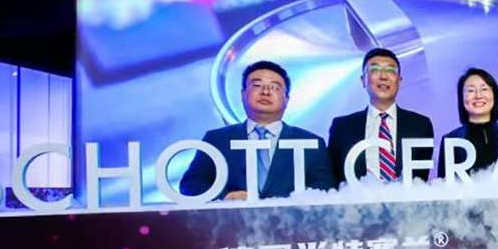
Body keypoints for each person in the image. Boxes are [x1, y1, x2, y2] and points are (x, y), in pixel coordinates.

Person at [179, 61, 334, 199]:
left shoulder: (311, 143)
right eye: (257, 85)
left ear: (286, 100)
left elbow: (325, 190)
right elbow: (191, 184)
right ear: (243, 94)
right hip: (231, 221)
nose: (265, 92)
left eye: (275, 87)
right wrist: (225, 197)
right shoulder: (217, 139)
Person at [328, 48, 434, 185]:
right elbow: (334, 177)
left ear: (399, 81)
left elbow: (421, 179)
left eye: (390, 70)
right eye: (375, 69)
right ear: (363, 80)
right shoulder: (342, 127)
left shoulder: (420, 125)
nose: (383, 76)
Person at [437, 67, 498, 178]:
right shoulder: (450, 140)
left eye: (484, 89)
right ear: (461, 98)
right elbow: (443, 185)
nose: (478, 96)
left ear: (494, 95)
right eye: (471, 90)